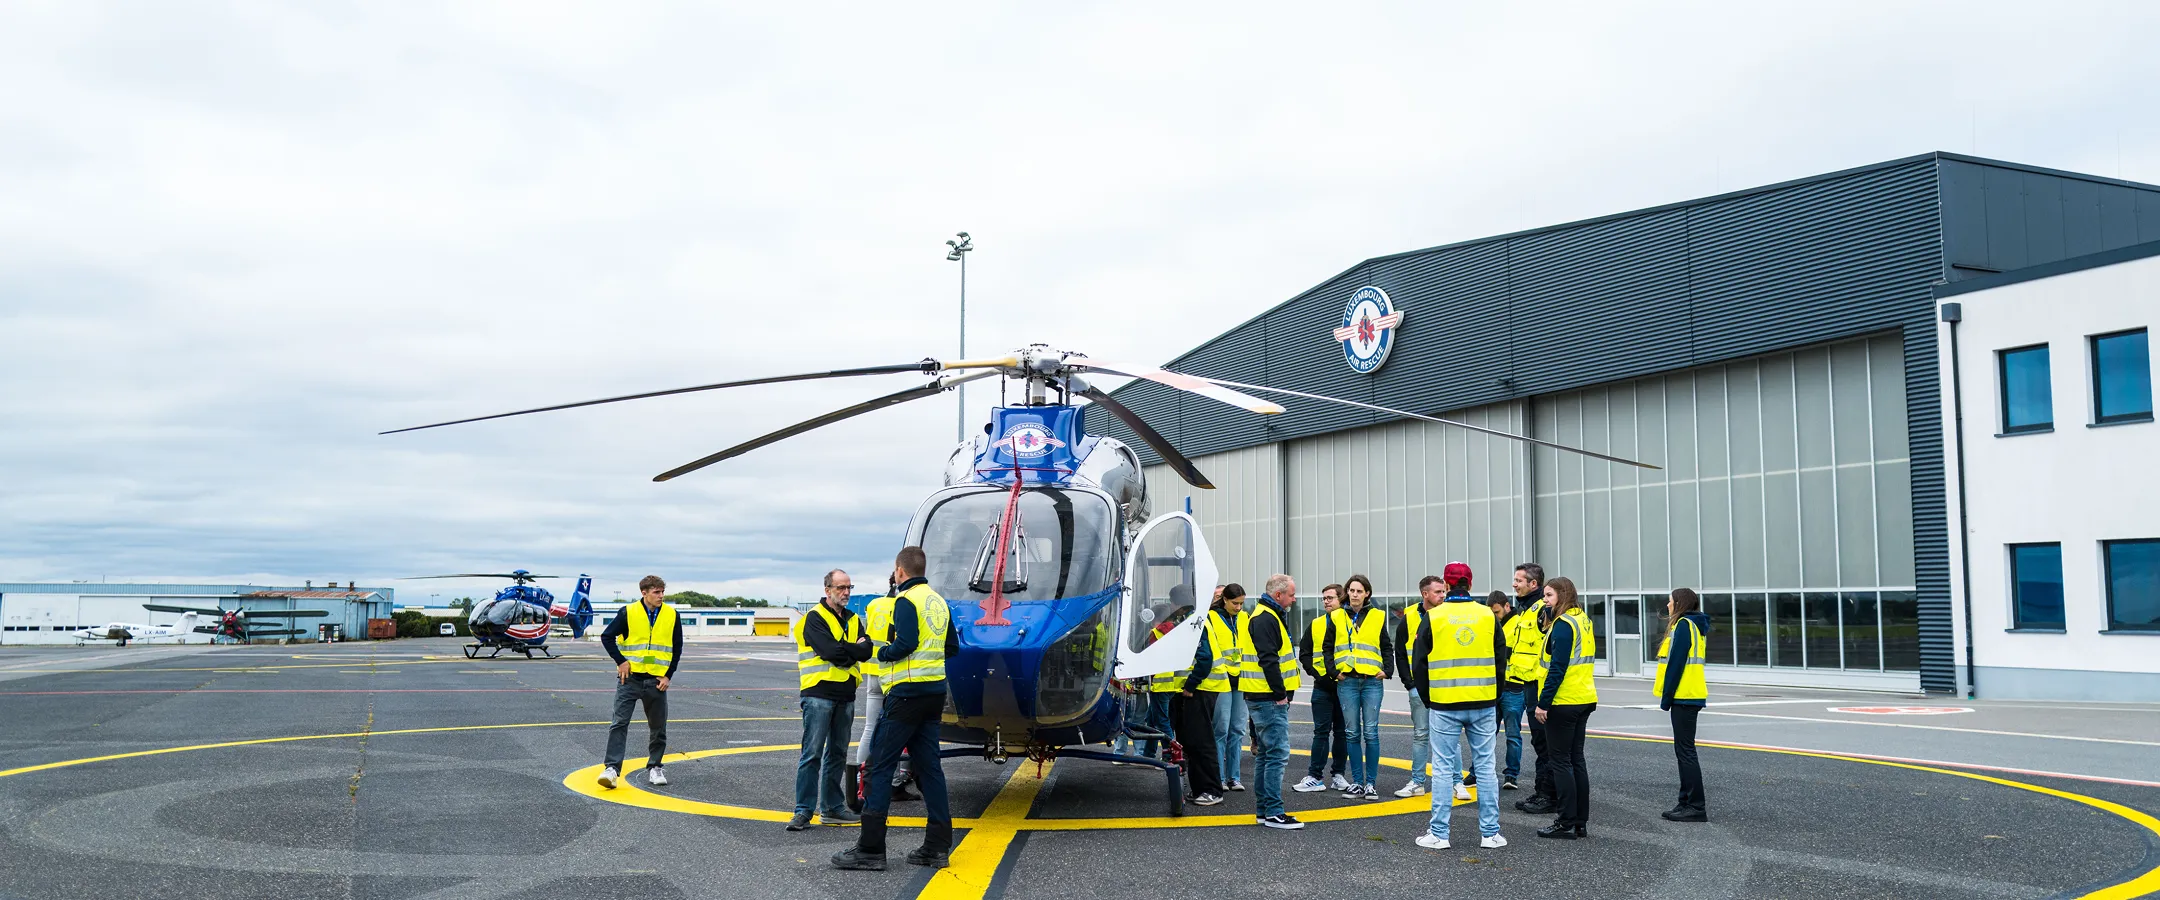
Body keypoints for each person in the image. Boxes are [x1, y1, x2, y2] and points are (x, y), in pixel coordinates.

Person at [833, 547, 960, 871]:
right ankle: (937, 847)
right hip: (934, 693)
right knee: (929, 769)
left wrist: (884, 653)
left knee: (879, 766)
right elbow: (952, 647)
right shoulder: (938, 602)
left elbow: (906, 643)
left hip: (906, 695)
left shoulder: (906, 600)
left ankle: (870, 849)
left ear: (900, 571)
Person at [1408, 564, 1507, 851]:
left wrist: (1429, 699)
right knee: (1486, 768)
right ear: (1470, 584)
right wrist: (1494, 694)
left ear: (1447, 585)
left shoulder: (1434, 616)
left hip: (1444, 703)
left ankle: (1439, 834)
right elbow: (1501, 659)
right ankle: (1490, 834)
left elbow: (1419, 663)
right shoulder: (1487, 615)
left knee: (1442, 768)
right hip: (1483, 701)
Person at [788, 569, 873, 830]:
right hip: (819, 693)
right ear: (827, 590)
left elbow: (866, 651)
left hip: (845, 694)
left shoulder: (854, 619)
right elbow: (829, 651)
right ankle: (803, 811)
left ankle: (832, 808)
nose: (846, 592)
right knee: (812, 754)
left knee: (837, 753)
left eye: (849, 587)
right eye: (840, 588)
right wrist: (853, 649)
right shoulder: (814, 618)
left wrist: (846, 650)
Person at [598, 575, 683, 790]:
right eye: (656, 592)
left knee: (658, 727)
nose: (661, 596)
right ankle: (611, 769)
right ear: (644, 593)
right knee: (619, 723)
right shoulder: (628, 612)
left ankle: (655, 767)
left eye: (662, 592)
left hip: (656, 681)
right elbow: (607, 636)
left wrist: (668, 675)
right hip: (629, 679)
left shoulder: (672, 615)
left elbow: (677, 647)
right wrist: (621, 661)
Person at [1533, 576, 1599, 840]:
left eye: (1549, 595)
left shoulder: (1563, 625)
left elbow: (1557, 668)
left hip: (1564, 701)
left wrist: (1543, 703)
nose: (1545, 601)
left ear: (1563, 594)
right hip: (1584, 697)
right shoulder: (1582, 619)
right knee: (1576, 760)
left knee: (1560, 762)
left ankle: (1565, 821)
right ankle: (1580, 821)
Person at [1243, 574, 1305, 829]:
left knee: (1267, 755)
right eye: (1291, 594)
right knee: (1277, 754)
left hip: (1262, 695)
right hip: (1268, 697)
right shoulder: (1266, 618)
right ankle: (1273, 812)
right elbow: (1268, 659)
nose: (1294, 599)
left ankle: (1265, 810)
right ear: (1278, 595)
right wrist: (1281, 694)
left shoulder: (1266, 615)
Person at [1509, 563, 1560, 816]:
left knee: (1544, 743)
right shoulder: (1526, 609)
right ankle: (1543, 791)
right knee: (1540, 742)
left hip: (1539, 684)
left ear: (1533, 584)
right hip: (1528, 682)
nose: (1514, 584)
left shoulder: (1542, 610)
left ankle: (1548, 795)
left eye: (1519, 580)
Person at [1335, 574, 1391, 801]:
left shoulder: (1377, 616)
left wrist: (1388, 670)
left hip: (1371, 682)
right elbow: (1328, 646)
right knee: (1351, 733)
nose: (1355, 594)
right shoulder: (1337, 616)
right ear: (1347, 592)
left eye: (1359, 591)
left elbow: (1386, 646)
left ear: (1367, 593)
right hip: (1347, 681)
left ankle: (1371, 784)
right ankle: (1357, 782)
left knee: (1370, 732)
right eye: (1351, 590)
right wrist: (1333, 672)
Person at [1174, 594, 1233, 806]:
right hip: (1201, 688)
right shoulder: (1194, 620)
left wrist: (1190, 685)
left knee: (1201, 741)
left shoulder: (1193, 622)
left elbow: (1205, 658)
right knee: (1192, 742)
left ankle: (1211, 790)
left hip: (1202, 689)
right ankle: (1201, 789)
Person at [1658, 587, 1711, 822]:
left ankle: (1695, 806)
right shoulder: (1694, 625)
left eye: (1670, 601)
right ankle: (1686, 802)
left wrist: (1666, 698)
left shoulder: (1683, 625)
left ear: (1679, 603)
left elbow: (1676, 664)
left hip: (1684, 695)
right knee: (1684, 751)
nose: (1668, 605)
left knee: (1686, 752)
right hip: (1691, 694)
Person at [1291, 584, 1350, 794]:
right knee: (1321, 732)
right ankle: (1315, 776)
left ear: (1341, 599)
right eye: (1324, 598)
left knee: (1342, 733)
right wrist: (1317, 674)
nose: (1326, 601)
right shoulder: (1316, 624)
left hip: (1345, 686)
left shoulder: (1350, 623)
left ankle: (1338, 775)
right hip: (1323, 687)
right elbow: (1304, 653)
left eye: (1330, 598)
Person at [1391, 577, 1444, 798]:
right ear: (1425, 594)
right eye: (1438, 592)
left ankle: (1456, 783)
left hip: (1443, 685)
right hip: (1418, 688)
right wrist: (1409, 683)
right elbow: (1400, 652)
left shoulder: (1448, 614)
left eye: (1443, 591)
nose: (1443, 595)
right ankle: (1417, 782)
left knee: (1448, 736)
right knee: (1421, 734)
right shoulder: (1410, 616)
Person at [1209, 585, 1251, 792]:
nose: (1239, 607)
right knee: (1221, 730)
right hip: (1221, 680)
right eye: (1235, 603)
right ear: (1224, 599)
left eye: (1242, 603)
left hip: (1241, 680)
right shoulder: (1211, 617)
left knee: (1237, 730)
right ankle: (1219, 777)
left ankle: (1234, 777)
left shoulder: (1244, 617)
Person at [1486, 590, 1523, 794]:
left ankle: (1511, 775)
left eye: (1497, 612)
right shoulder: (1491, 624)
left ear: (1507, 606)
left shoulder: (1519, 624)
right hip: (1494, 686)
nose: (1495, 616)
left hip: (1513, 687)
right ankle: (1478, 772)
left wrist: (1500, 652)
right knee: (1486, 733)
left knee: (1513, 735)